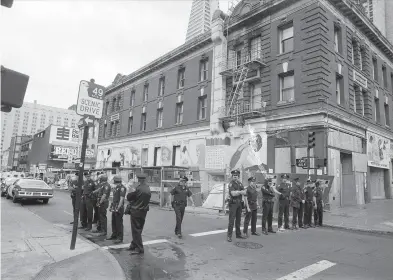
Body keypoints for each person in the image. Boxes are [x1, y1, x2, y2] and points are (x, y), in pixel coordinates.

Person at [126, 173, 151, 255]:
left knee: (135, 230)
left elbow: (129, 197)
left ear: (139, 180)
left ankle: (139, 248)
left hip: (136, 210)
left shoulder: (138, 189)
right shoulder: (147, 188)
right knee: (139, 229)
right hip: (144, 211)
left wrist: (130, 190)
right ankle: (133, 244)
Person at [227, 170, 247, 242]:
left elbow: (245, 192)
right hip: (233, 204)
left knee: (238, 220)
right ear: (232, 176)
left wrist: (238, 192)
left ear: (238, 176)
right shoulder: (231, 184)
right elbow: (233, 194)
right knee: (231, 220)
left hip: (239, 204)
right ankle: (229, 236)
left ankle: (238, 234)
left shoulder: (240, 183)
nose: (235, 177)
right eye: (234, 175)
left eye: (236, 175)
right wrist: (240, 192)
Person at [106, 175, 126, 244]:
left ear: (116, 180)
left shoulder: (122, 188)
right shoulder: (116, 187)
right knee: (113, 221)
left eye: (114, 180)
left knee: (119, 222)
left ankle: (120, 237)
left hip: (118, 207)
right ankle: (114, 234)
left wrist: (118, 207)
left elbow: (121, 199)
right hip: (114, 206)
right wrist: (112, 207)